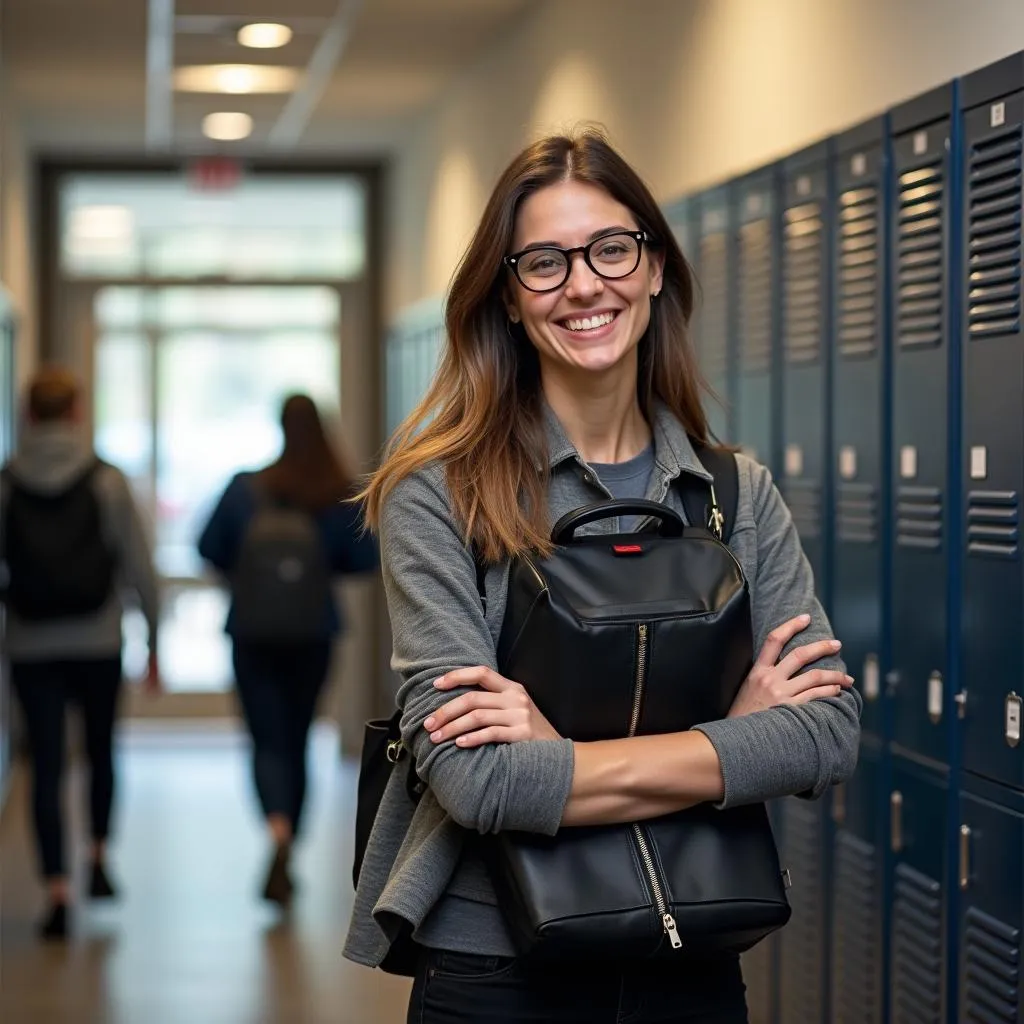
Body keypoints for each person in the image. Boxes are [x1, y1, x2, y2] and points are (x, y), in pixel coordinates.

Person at [344, 128, 862, 1023]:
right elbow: (480, 783)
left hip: (689, 949)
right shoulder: (438, 494)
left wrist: (556, 754)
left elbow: (826, 732)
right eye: (543, 263)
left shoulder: (734, 491)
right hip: (496, 966)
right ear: (508, 297)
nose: (584, 284)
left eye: (611, 249)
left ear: (654, 268)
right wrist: (724, 742)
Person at [198, 394, 378, 908]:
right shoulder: (334, 491)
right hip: (313, 632)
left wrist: (248, 576)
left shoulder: (245, 489)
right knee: (298, 737)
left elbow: (207, 548)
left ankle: (275, 830)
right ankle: (290, 843)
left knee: (265, 738)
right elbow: (364, 559)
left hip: (252, 632)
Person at [0, 365, 161, 941]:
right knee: (99, 751)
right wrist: (155, 640)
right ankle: (95, 857)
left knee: (43, 762)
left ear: (27, 416)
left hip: (29, 641)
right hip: (97, 639)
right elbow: (139, 564)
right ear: (74, 412)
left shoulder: (7, 481)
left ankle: (56, 891)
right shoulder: (106, 480)